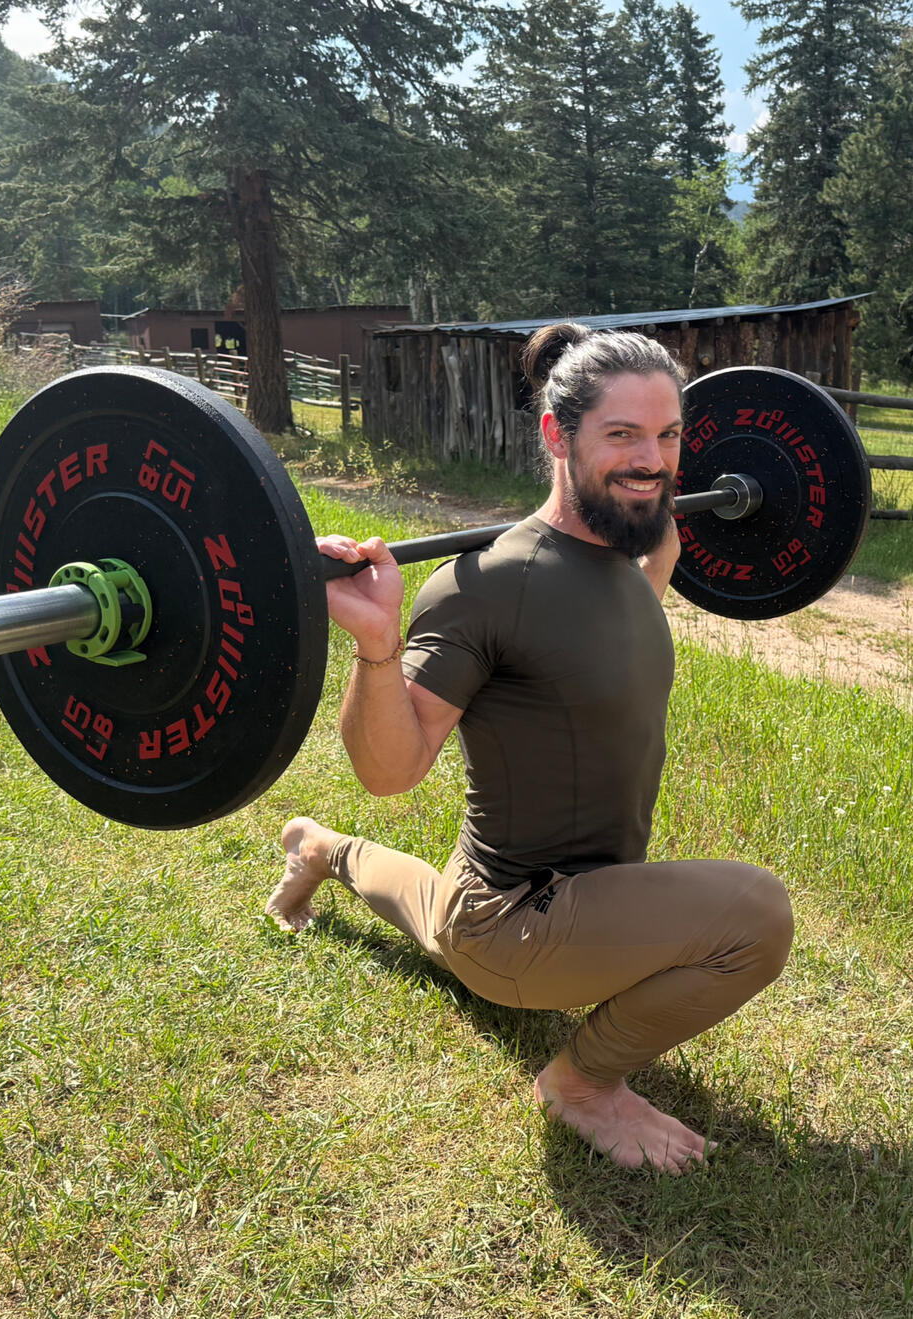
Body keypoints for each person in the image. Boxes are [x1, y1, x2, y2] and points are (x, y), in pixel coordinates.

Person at [266, 324, 793, 1174]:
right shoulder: (486, 589)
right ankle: (579, 1086)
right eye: (620, 435)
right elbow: (388, 769)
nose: (653, 461)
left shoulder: (643, 548)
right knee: (755, 914)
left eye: (666, 435)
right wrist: (375, 646)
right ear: (556, 436)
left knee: (440, 913)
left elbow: (630, 584)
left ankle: (323, 849)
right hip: (519, 921)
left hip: (507, 898)